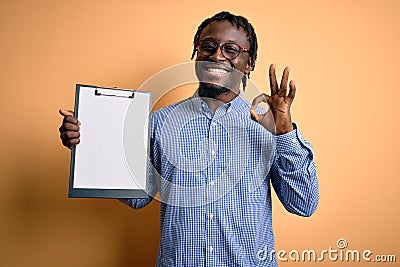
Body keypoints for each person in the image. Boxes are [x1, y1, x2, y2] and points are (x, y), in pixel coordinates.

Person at [59, 11, 318, 267]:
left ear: (248, 64)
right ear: (197, 54)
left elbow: (304, 203)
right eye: (208, 46)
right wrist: (94, 140)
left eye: (231, 49)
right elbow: (138, 197)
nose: (217, 55)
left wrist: (284, 133)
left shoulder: (270, 126)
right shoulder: (160, 122)